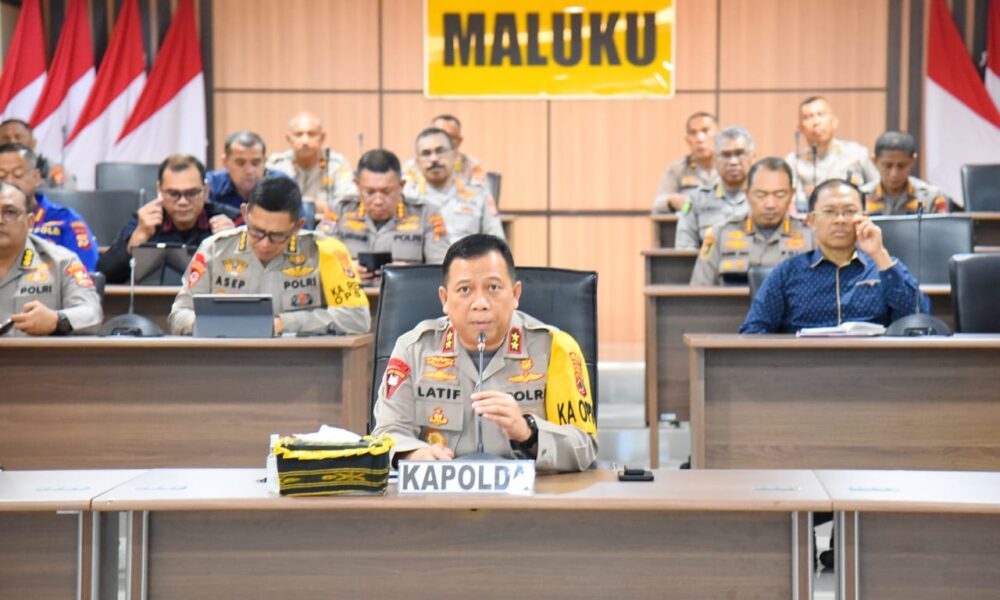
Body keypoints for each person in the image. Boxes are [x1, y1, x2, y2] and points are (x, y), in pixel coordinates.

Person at [372, 234, 597, 472]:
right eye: (465, 289)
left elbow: (584, 446)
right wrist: (414, 455)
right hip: (441, 490)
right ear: (445, 299)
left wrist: (528, 432)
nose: (480, 303)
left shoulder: (555, 348)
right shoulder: (413, 349)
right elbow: (386, 433)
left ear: (515, 294)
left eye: (493, 288)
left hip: (528, 493)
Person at [168, 177, 370, 336]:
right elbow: (178, 315)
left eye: (277, 235)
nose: (265, 243)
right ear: (244, 213)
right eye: (256, 231)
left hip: (300, 364)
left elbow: (357, 318)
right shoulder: (214, 249)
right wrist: (216, 325)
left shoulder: (327, 251)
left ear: (297, 226)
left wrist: (284, 323)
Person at [739, 179, 930, 333]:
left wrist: (879, 254)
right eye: (829, 211)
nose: (840, 220)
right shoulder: (787, 272)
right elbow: (753, 331)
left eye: (849, 211)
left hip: (871, 363)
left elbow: (919, 318)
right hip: (805, 364)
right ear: (811, 220)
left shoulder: (883, 267)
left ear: (864, 217)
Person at [98, 154, 240, 283]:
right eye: (173, 193)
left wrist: (233, 244)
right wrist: (137, 238)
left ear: (206, 191)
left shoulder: (230, 220)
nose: (183, 202)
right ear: (160, 190)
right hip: (155, 302)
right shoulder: (145, 222)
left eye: (191, 193)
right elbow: (103, 274)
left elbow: (248, 278)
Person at [317, 149, 449, 283]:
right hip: (350, 293)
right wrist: (343, 268)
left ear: (401, 185)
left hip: (406, 293)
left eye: (386, 192)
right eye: (370, 192)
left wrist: (408, 273)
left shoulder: (426, 214)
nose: (378, 201)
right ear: (357, 185)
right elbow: (317, 259)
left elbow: (442, 269)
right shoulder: (338, 211)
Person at [690, 157, 813, 286]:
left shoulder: (811, 236)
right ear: (747, 194)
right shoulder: (719, 234)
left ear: (792, 194)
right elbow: (700, 288)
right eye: (761, 195)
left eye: (780, 194)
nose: (770, 204)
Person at [0, 181, 102, 336]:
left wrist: (57, 320)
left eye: (10, 212)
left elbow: (92, 312)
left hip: (35, 351)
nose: (0, 220)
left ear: (30, 222)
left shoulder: (62, 261)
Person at [0, 143, 98, 271]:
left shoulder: (66, 220)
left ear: (36, 177)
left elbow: (85, 271)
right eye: (1, 176)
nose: (10, 182)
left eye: (18, 175)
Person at [404, 127, 504, 243]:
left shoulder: (479, 196)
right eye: (426, 153)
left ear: (455, 155)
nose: (434, 159)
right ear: (417, 161)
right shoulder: (407, 198)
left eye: (440, 151)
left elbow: (497, 244)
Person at [785, 97, 878, 210]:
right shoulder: (794, 162)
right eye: (808, 117)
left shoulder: (856, 153)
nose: (816, 122)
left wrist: (856, 194)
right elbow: (793, 199)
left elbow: (876, 184)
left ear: (834, 122)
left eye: (821, 115)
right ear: (800, 128)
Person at [674, 126, 755, 249]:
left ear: (753, 158)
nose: (733, 162)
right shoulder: (696, 200)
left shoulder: (768, 199)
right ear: (715, 160)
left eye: (739, 154)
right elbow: (684, 249)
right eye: (726, 155)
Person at [265, 111, 357, 213]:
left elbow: (349, 202)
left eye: (311, 134)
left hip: (327, 221)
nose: (305, 141)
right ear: (289, 139)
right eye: (299, 135)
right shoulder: (276, 165)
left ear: (322, 137)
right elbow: (265, 201)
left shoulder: (336, 164)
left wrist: (318, 206)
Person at [861, 131, 952, 214]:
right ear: (874, 161)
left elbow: (943, 226)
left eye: (901, 166)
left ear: (913, 161)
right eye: (888, 166)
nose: (894, 174)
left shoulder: (932, 197)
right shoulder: (861, 196)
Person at [652, 112, 719, 213]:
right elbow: (657, 205)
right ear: (687, 140)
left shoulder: (731, 167)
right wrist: (672, 201)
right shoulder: (676, 169)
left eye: (705, 131)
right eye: (693, 133)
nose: (699, 139)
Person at [207, 130, 288, 210]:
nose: (249, 171)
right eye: (240, 163)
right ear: (225, 162)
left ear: (265, 160)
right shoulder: (211, 186)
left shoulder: (282, 185)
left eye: (256, 163)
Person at [402, 115, 488, 188]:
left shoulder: (472, 165)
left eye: (449, 136)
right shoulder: (413, 166)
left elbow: (480, 194)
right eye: (437, 134)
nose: (442, 140)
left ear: (459, 141)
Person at [0, 118, 73, 188]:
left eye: (18, 137)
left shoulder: (51, 168)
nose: (12, 142)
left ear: (33, 143)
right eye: (6, 138)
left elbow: (66, 192)